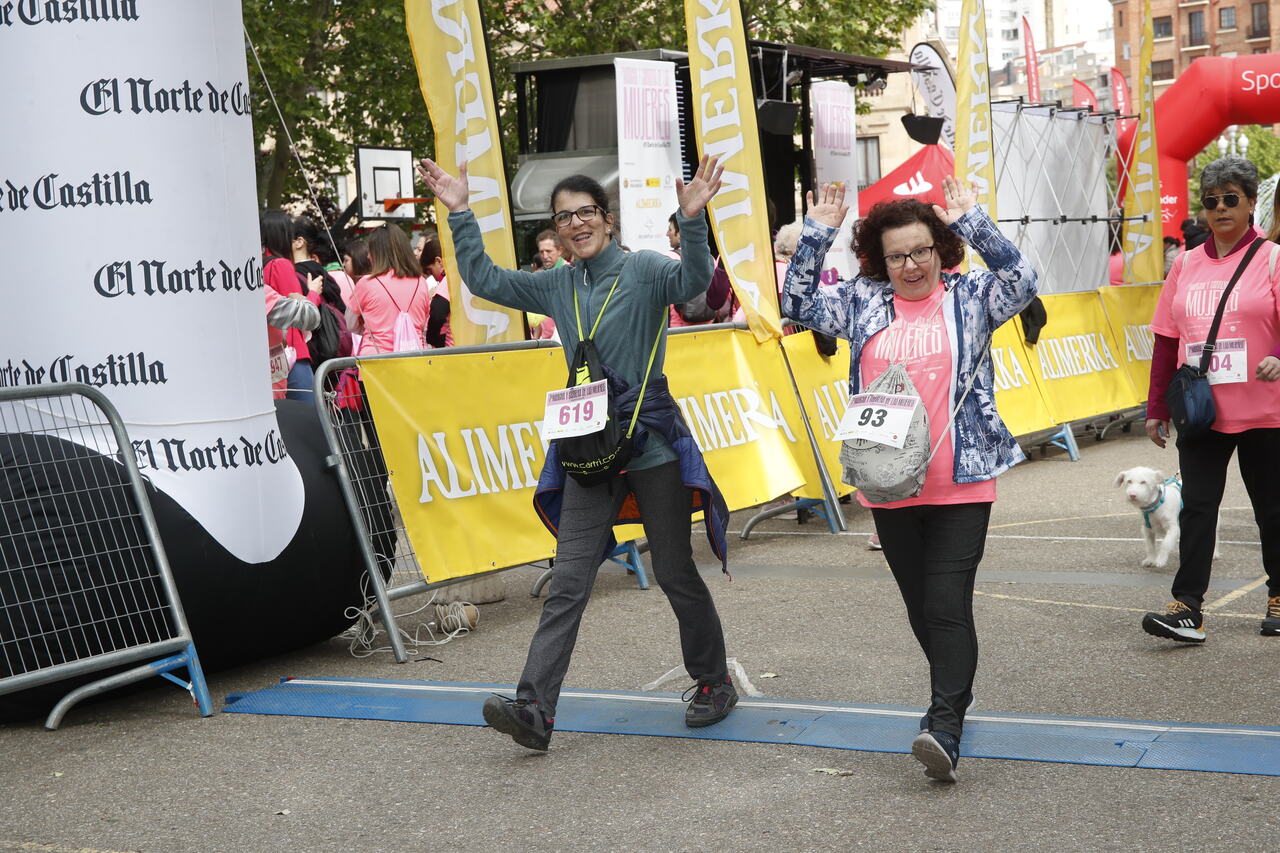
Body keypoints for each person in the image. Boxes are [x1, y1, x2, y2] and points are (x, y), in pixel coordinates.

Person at [417, 153, 737, 752]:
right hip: (588, 447)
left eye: (586, 212)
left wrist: (693, 219)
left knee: (673, 570)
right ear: (557, 231)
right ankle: (535, 708)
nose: (576, 224)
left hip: (649, 443)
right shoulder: (558, 283)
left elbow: (694, 281)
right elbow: (484, 280)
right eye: (564, 218)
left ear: (607, 219)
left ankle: (713, 681)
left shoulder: (644, 269)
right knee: (567, 579)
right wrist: (460, 212)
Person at [784, 176, 1038, 783]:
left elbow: (1023, 280)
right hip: (888, 482)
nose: (911, 265)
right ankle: (953, 691)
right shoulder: (863, 302)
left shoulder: (972, 296)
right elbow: (796, 303)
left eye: (921, 250)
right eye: (897, 255)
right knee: (923, 609)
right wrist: (817, 234)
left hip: (960, 480)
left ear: (940, 248)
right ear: (880, 260)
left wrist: (973, 221)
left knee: (946, 605)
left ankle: (943, 725)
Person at [1143, 156, 1280, 643]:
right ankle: (1187, 608)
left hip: (1265, 410)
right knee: (1197, 507)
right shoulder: (1185, 263)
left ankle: (1279, 595)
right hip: (1201, 409)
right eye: (1211, 200)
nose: (1220, 208)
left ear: (1250, 203)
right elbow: (1166, 339)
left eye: (1230, 199)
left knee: (1273, 509)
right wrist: (1156, 407)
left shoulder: (1272, 258)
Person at [260, 211, 322, 399]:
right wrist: (313, 294)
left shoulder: (259, 267)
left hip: (271, 354)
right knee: (307, 412)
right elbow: (299, 311)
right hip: (293, 352)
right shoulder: (281, 264)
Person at [348, 226, 431, 355]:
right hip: (414, 357)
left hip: (375, 359)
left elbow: (350, 323)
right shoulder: (421, 282)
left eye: (370, 251)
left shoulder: (366, 283)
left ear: (378, 253)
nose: (368, 257)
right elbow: (424, 322)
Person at [666, 211, 733, 327]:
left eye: (670, 230)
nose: (667, 234)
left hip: (677, 330)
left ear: (681, 233)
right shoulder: (710, 259)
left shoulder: (668, 258)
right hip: (708, 329)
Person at [419, 232, 453, 348]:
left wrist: (431, 338)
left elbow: (437, 314)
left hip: (448, 348)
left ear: (438, 261)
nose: (433, 277)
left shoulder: (447, 281)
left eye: (430, 271)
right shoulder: (459, 277)